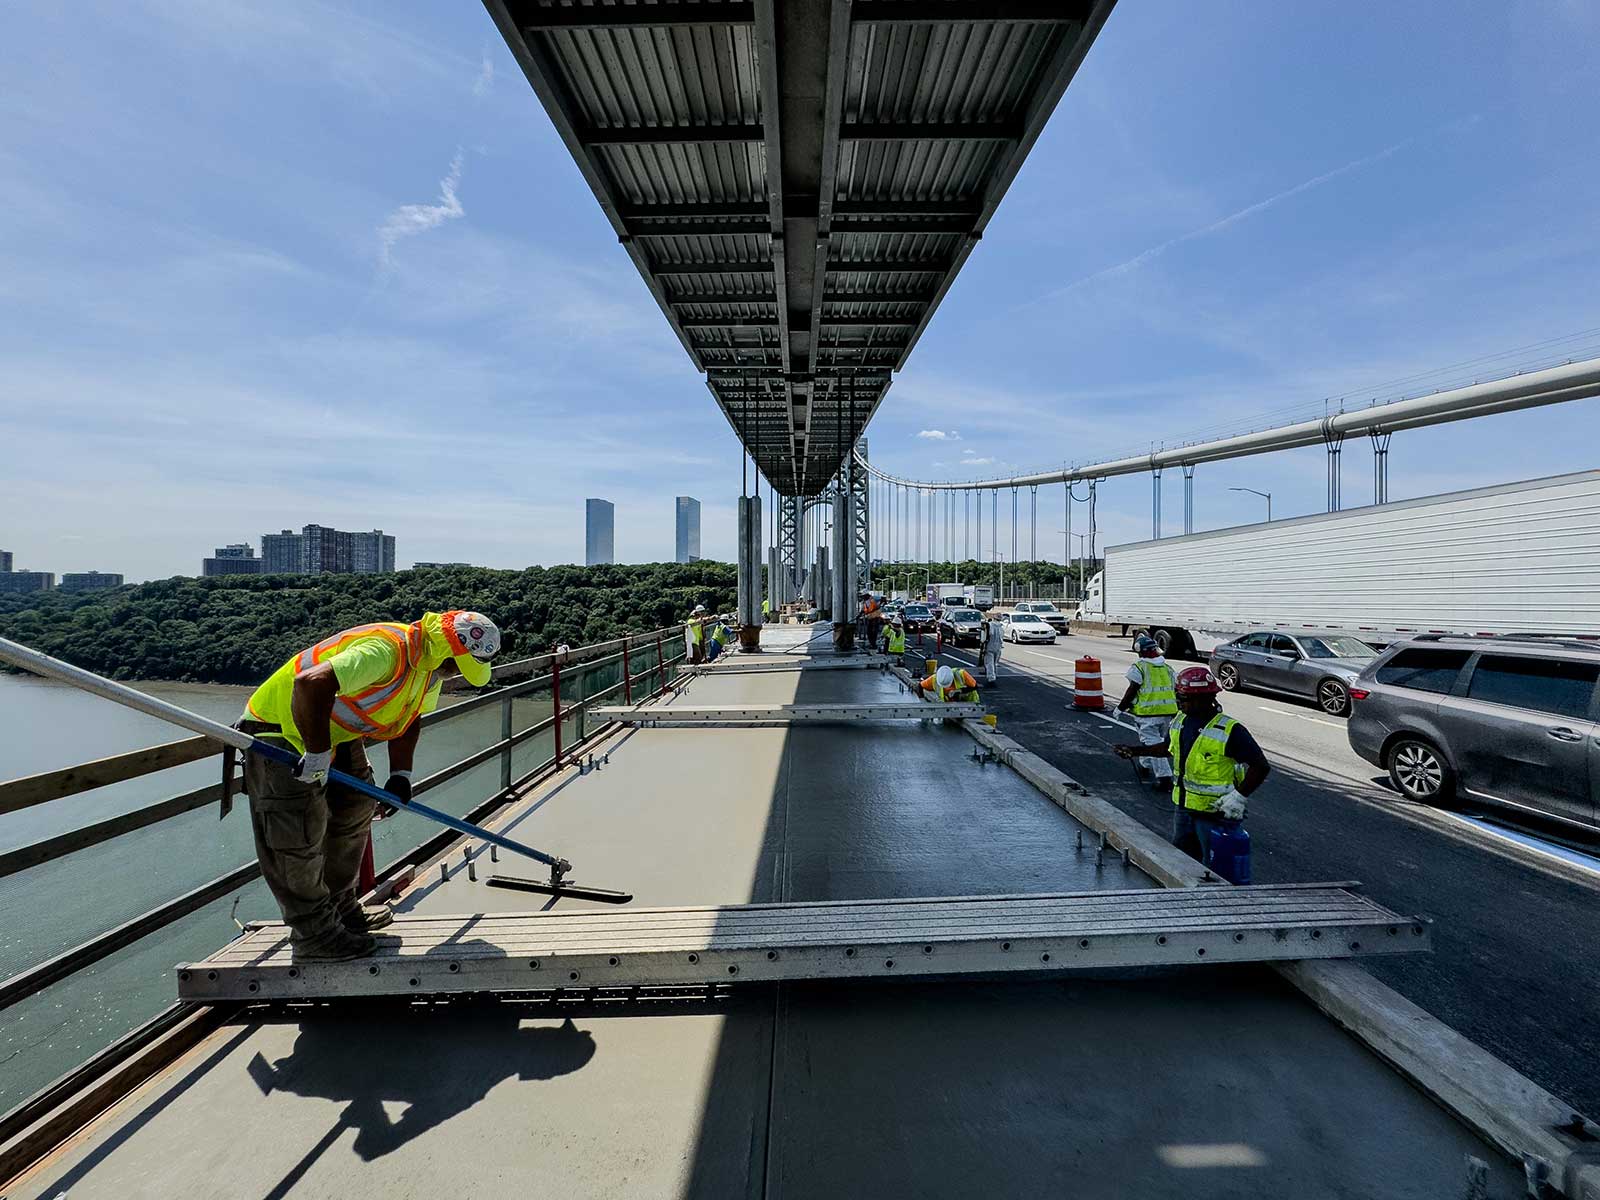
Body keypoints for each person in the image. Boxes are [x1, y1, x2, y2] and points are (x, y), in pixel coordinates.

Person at [238, 610, 502, 961]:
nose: (455, 675)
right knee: (296, 836)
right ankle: (314, 935)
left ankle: (341, 909)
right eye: (457, 666)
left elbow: (409, 718)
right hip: (281, 733)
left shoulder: (427, 669)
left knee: (355, 807)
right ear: (445, 651)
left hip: (332, 731)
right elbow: (310, 682)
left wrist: (401, 775)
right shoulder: (385, 651)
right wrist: (317, 753)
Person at [1113, 666, 1270, 866]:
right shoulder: (1181, 720)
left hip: (1215, 813)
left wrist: (1238, 798)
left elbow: (1260, 766)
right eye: (1178, 695)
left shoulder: (1230, 730)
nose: (1178, 701)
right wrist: (1135, 751)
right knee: (1182, 861)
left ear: (1204, 699)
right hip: (1184, 808)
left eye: (1183, 697)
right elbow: (1169, 748)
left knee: (1213, 866)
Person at [1116, 634, 1178, 789]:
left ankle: (1165, 778)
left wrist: (1120, 708)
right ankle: (1145, 766)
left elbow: (1132, 690)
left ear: (1140, 652)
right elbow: (1176, 690)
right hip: (1167, 714)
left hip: (1147, 715)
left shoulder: (1139, 667)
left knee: (1153, 743)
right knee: (1153, 742)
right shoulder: (1168, 668)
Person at [980, 612, 1004, 686]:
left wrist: (982, 644)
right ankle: (994, 675)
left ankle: (991, 678)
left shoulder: (989, 625)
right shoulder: (1001, 627)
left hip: (990, 646)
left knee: (989, 662)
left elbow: (985, 636)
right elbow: (1001, 638)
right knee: (995, 663)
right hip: (998, 647)